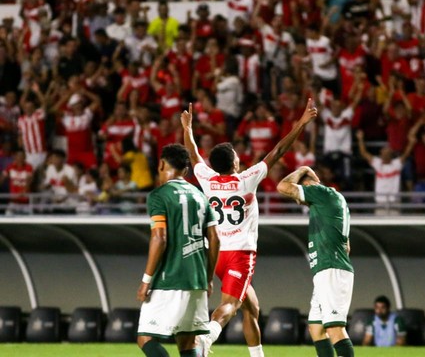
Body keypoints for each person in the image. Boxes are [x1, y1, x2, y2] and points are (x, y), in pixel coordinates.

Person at [182, 99, 318, 357]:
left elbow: (193, 153)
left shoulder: (207, 178)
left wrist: (187, 128)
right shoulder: (246, 179)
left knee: (252, 307)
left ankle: (257, 355)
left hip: (216, 254)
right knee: (231, 305)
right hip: (239, 255)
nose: (239, 158)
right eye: (236, 156)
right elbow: (278, 151)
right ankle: (206, 337)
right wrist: (301, 123)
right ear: (234, 163)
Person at [136, 144, 219, 357]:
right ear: (186, 169)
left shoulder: (159, 195)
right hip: (197, 279)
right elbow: (215, 238)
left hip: (169, 279)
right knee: (188, 341)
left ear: (162, 164)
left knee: (145, 337)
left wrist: (146, 279)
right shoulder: (201, 196)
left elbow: (159, 238)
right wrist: (208, 277)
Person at [276, 165, 355, 357]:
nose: (298, 201)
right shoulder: (331, 202)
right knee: (316, 328)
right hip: (327, 269)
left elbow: (283, 186)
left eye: (300, 195)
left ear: (309, 185)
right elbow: (348, 247)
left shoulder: (321, 192)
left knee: (335, 329)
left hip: (331, 268)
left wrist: (303, 169)